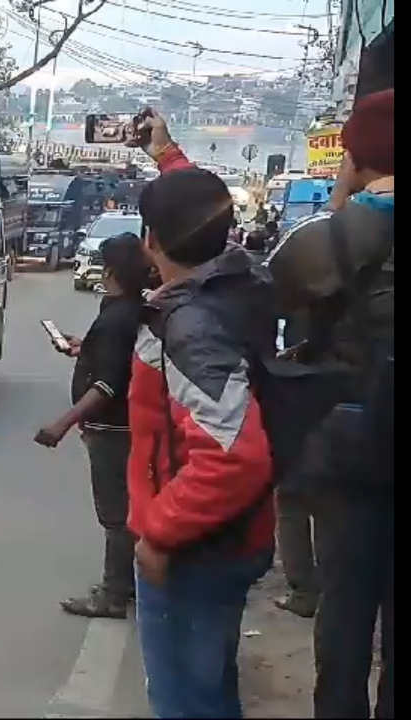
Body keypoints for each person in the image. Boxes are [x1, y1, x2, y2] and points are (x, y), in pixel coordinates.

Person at [128, 111, 278, 718]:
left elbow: (235, 456)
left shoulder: (191, 328)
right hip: (230, 536)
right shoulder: (233, 277)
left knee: (185, 702)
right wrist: (167, 157)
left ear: (151, 243)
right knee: (209, 687)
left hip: (196, 547)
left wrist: (161, 534)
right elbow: (200, 213)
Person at [266, 88, 394, 720]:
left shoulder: (331, 237)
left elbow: (273, 306)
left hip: (354, 447)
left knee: (344, 609)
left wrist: (342, 205)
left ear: (357, 155)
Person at [34, 232, 151, 620]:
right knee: (123, 509)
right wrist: (85, 347)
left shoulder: (119, 317)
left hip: (112, 429)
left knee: (115, 514)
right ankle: (127, 584)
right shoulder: (128, 308)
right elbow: (115, 360)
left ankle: (114, 595)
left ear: (112, 269)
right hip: (122, 425)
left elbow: (107, 383)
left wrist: (62, 424)